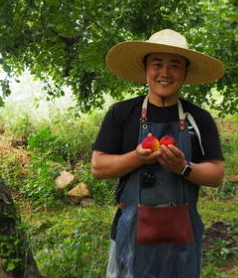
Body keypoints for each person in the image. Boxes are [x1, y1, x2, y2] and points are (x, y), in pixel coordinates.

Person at [91, 29, 225, 278]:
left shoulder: (200, 119)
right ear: (145, 69)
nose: (165, 73)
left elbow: (216, 175)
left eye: (174, 65)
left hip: (183, 235)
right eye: (157, 64)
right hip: (130, 231)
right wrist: (137, 157)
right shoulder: (121, 114)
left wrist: (183, 168)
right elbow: (98, 167)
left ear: (185, 72)